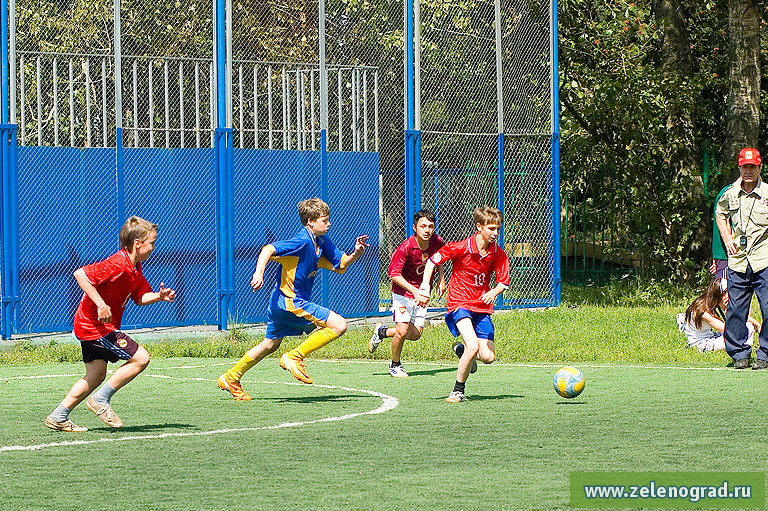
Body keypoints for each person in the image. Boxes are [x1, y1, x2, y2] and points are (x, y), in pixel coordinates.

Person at [217, 198, 369, 400]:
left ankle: (231, 377)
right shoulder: (302, 241)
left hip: (279, 302)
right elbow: (267, 249)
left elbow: (341, 262)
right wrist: (259, 273)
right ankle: (294, 357)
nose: (329, 224)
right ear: (310, 222)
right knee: (339, 325)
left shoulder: (321, 241)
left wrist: (356, 253)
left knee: (270, 345)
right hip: (290, 301)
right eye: (324, 220)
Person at [45, 216, 176, 432]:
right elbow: (80, 274)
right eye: (152, 242)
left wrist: (159, 296)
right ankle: (100, 400)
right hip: (94, 327)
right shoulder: (118, 263)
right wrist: (101, 304)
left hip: (91, 326)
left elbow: (139, 297)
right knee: (141, 358)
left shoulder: (135, 267)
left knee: (96, 375)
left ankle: (58, 417)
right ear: (137, 243)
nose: (154, 247)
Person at [416, 206, 510, 403]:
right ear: (479, 227)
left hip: (481, 307)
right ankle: (458, 391)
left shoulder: (497, 253)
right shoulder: (461, 247)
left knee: (488, 357)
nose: (496, 233)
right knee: (473, 346)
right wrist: (424, 288)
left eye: (498, 229)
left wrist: (493, 292)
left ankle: (461, 351)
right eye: (491, 228)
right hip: (460, 303)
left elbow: (503, 282)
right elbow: (432, 261)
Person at [368, 210, 446, 377]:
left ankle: (381, 332)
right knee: (402, 331)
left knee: (416, 334)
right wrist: (414, 290)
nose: (427, 230)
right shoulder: (405, 248)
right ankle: (395, 365)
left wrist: (441, 278)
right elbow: (394, 275)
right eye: (423, 226)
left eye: (430, 226)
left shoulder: (436, 241)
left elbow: (439, 257)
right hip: (402, 293)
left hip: (422, 293)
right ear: (414, 228)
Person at [715, 147, 768, 369]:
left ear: (760, 168)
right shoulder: (730, 193)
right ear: (739, 167)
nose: (748, 171)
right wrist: (727, 237)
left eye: (752, 167)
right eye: (745, 166)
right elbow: (720, 213)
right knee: (736, 310)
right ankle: (739, 354)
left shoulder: (767, 193)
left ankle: (765, 354)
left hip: (763, 260)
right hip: (738, 261)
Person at [676, 278, 759, 352]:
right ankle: (745, 349)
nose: (728, 297)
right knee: (745, 329)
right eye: (724, 293)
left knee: (747, 326)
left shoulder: (709, 303)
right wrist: (731, 313)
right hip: (701, 344)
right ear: (717, 296)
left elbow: (741, 317)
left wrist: (758, 325)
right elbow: (728, 330)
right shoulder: (702, 311)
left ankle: (744, 346)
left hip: (710, 336)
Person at [710, 178, 740, 281]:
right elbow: (719, 224)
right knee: (724, 289)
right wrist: (717, 255)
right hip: (726, 255)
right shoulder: (727, 193)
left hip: (746, 256)